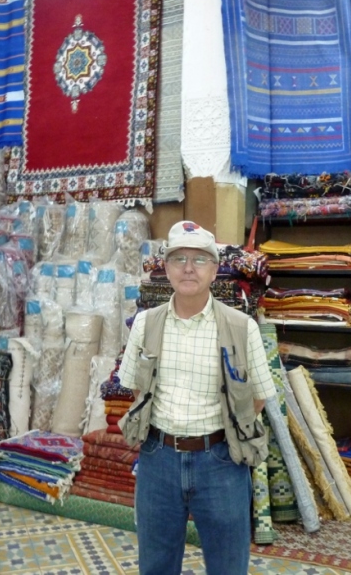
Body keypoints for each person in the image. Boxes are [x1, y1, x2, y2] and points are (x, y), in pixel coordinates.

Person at [118, 221, 276, 575]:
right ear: (166, 267)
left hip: (220, 463)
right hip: (158, 461)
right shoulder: (145, 324)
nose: (188, 268)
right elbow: (136, 389)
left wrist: (222, 435)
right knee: (156, 565)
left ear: (215, 268)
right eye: (178, 259)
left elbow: (260, 398)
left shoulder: (240, 327)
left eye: (199, 260)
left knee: (228, 565)